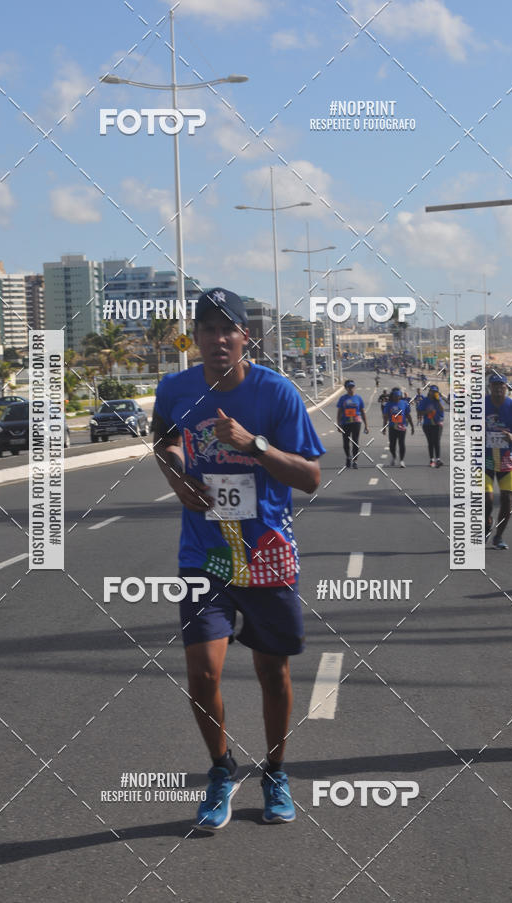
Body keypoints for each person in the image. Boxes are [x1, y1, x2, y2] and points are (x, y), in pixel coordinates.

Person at [152, 288, 326, 831]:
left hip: (268, 556)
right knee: (202, 675)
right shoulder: (176, 388)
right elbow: (163, 440)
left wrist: (255, 447)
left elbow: (311, 478)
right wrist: (177, 475)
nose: (218, 339)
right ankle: (221, 771)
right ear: (196, 337)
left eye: (228, 330)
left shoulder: (276, 393)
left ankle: (275, 771)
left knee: (272, 672)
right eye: (208, 329)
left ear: (245, 337)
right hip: (203, 556)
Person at [485, 374, 512, 549]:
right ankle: (487, 522)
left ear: (506, 387)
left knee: (507, 500)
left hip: (505, 460)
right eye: (495, 385)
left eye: (501, 386)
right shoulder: (479, 405)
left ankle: (499, 537)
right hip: (484, 459)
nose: (498, 389)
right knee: (487, 499)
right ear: (489, 387)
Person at [337, 379, 369, 468]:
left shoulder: (358, 398)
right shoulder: (342, 399)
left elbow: (362, 412)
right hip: (345, 423)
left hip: (356, 422)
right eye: (349, 387)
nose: (351, 389)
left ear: (355, 387)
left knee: (355, 441)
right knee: (346, 443)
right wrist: (338, 424)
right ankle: (348, 457)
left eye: (352, 387)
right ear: (346, 388)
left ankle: (355, 460)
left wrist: (366, 425)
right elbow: (339, 412)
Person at [383, 387, 414, 467]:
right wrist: (384, 427)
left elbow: (408, 415)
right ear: (392, 396)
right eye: (395, 396)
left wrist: (412, 426)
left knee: (401, 443)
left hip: (402, 426)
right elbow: (385, 416)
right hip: (392, 427)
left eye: (398, 396)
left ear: (400, 396)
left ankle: (401, 460)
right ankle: (394, 456)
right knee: (392, 445)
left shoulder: (404, 403)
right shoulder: (388, 404)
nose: (397, 397)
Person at [417, 385, 445, 467]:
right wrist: (427, 412)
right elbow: (420, 412)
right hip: (427, 424)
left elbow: (442, 409)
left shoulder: (439, 400)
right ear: (429, 392)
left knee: (437, 441)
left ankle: (438, 459)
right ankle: (432, 459)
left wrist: (438, 400)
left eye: (435, 392)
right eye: (432, 391)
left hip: (438, 423)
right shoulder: (425, 400)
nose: (433, 393)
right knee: (430, 442)